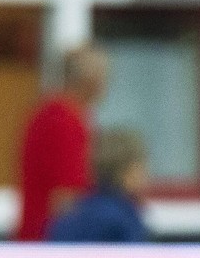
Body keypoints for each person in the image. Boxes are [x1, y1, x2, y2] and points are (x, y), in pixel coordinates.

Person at [15, 44, 108, 241]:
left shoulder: (49, 113)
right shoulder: (65, 120)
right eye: (103, 75)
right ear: (88, 80)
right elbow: (67, 195)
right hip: (51, 243)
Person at [46, 128, 151, 243]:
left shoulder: (69, 215)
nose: (146, 174)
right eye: (141, 167)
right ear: (129, 171)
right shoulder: (125, 218)